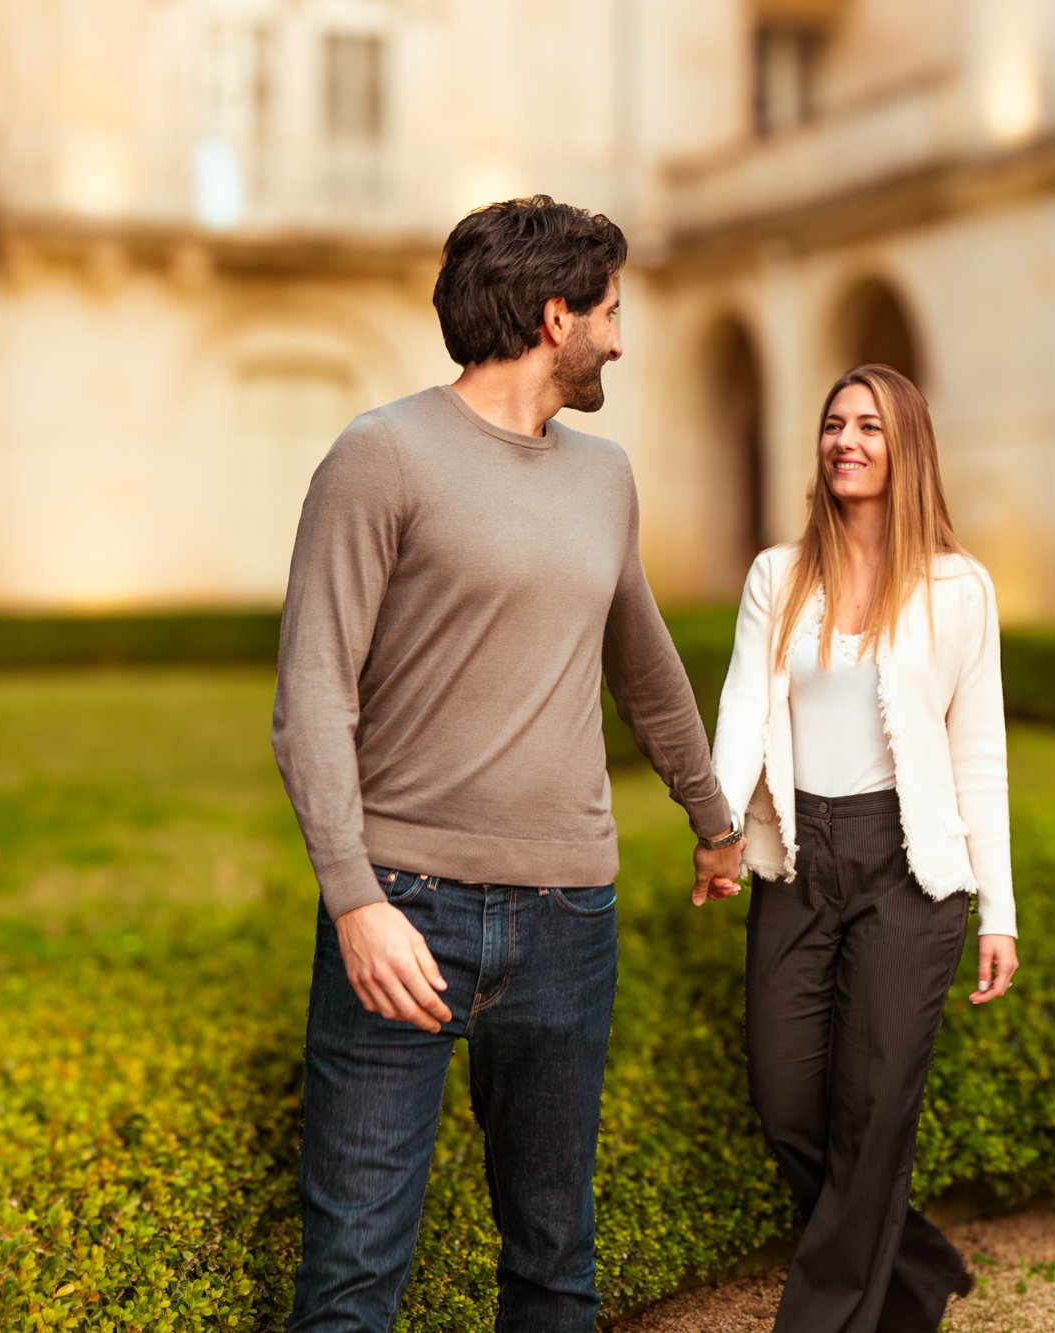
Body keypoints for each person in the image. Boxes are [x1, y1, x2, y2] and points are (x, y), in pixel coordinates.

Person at [271, 195, 745, 1332]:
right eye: (611, 314)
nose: (620, 342)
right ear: (553, 316)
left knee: (553, 1263)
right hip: (405, 909)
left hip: (566, 918)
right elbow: (311, 692)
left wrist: (713, 818)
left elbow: (645, 664)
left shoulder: (604, 476)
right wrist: (353, 901)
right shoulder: (377, 456)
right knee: (349, 1278)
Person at [703, 363, 1020, 1332]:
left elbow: (979, 750)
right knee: (786, 1099)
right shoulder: (775, 574)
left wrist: (996, 910)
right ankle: (916, 1264)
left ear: (906, 447)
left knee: (874, 1103)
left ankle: (824, 1318)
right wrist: (719, 829)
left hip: (909, 867)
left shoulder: (959, 589)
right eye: (834, 424)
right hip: (802, 857)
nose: (845, 440)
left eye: (868, 427)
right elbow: (743, 704)